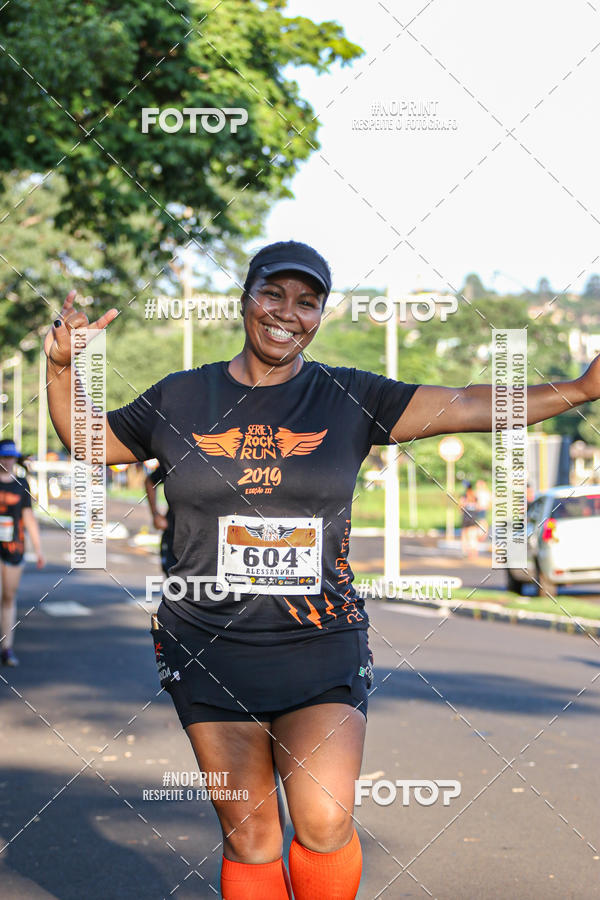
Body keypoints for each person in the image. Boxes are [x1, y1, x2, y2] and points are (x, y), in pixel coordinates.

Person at [44, 240, 600, 899]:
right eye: (273, 295)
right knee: (251, 836)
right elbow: (87, 441)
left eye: (307, 302)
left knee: (325, 817)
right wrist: (58, 368)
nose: (288, 313)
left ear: (321, 316)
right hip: (206, 641)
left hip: (319, 636)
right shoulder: (182, 396)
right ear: (244, 301)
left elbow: (472, 404)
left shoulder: (347, 396)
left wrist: (583, 390)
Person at [0, 439, 45, 666]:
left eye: (10, 457)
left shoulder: (21, 483)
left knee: (8, 597)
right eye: (3, 457)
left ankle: (7, 648)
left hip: (14, 547)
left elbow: (28, 516)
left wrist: (38, 549)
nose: (7, 461)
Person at [144, 461, 176, 576]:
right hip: (174, 535)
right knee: (175, 585)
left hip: (207, 541)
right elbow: (150, 481)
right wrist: (156, 514)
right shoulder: (177, 461)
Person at [459, 481, 480, 561]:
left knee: (464, 535)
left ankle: (465, 552)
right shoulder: (475, 496)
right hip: (473, 517)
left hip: (466, 518)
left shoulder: (464, 496)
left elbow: (461, 506)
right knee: (473, 536)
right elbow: (478, 507)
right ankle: (474, 553)